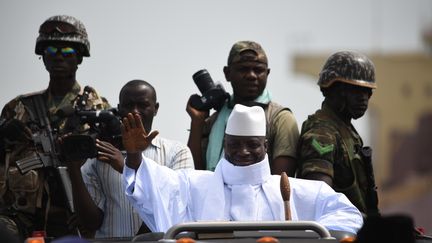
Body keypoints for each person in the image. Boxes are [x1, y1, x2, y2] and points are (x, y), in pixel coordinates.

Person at [122, 104, 363, 234]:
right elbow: (150, 185)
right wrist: (134, 154)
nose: (243, 151)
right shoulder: (194, 183)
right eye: (234, 144)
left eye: (252, 144)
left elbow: (348, 216)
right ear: (225, 144)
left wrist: (304, 237)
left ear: (266, 146)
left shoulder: (296, 190)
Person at [0, 15, 109, 239]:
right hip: (23, 215)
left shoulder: (97, 108)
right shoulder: (19, 107)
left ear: (79, 57)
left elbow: (109, 167)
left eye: (67, 52)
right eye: (51, 51)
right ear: (43, 57)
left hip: (75, 213)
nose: (58, 57)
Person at [67, 80, 194, 238]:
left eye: (143, 105)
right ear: (119, 109)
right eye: (128, 105)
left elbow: (176, 208)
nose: (135, 111)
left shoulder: (177, 152)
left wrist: (128, 168)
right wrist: (73, 169)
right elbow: (91, 222)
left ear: (156, 108)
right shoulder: (100, 157)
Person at [187, 40, 299, 176]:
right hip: (212, 195)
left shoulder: (280, 118)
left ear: (267, 73)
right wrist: (197, 122)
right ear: (227, 73)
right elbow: (194, 174)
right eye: (243, 69)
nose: (251, 75)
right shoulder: (217, 118)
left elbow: (281, 181)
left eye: (258, 70)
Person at [296, 51, 379, 216]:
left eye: (367, 92)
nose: (364, 98)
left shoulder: (347, 131)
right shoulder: (322, 133)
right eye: (356, 90)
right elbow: (320, 197)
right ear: (334, 90)